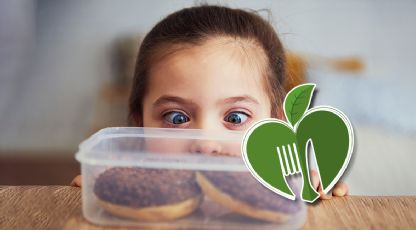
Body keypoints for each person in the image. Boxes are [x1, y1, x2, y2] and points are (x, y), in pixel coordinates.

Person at [71, 5, 348, 199]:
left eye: (236, 117)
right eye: (177, 118)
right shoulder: (124, 188)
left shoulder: (285, 189)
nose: (205, 145)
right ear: (140, 122)